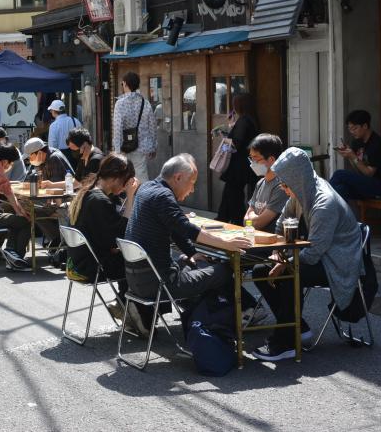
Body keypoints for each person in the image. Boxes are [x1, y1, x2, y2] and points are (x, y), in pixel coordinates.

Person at [251, 147, 363, 361]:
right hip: (318, 255)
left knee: (289, 275)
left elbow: (313, 253)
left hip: (337, 262)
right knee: (260, 271)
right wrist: (277, 253)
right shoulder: (300, 192)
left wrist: (285, 263)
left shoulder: (324, 202)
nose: (283, 189)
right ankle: (298, 328)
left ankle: (285, 343)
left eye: (285, 184)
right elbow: (279, 226)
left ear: (297, 179)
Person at [124, 154, 252, 330]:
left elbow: (175, 229)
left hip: (136, 280)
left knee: (199, 262)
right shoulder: (163, 196)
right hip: (161, 283)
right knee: (223, 269)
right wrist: (226, 243)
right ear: (178, 178)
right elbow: (186, 229)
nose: (192, 190)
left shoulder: (146, 189)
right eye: (192, 182)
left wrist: (192, 252)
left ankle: (215, 313)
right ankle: (239, 314)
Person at [67, 154, 139, 321]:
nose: (125, 187)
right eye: (125, 182)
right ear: (115, 178)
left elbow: (105, 235)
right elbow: (122, 234)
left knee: (127, 257)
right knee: (142, 263)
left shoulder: (87, 193)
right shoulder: (99, 201)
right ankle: (129, 307)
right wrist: (131, 197)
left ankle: (124, 303)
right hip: (93, 267)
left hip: (79, 262)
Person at [216, 93, 259, 225]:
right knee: (231, 192)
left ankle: (234, 219)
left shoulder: (244, 121)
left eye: (235, 104)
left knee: (233, 192)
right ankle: (223, 217)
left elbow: (237, 142)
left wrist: (225, 139)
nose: (233, 107)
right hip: (245, 163)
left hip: (239, 164)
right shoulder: (250, 119)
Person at [330, 109, 381, 201]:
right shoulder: (357, 142)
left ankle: (321, 203)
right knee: (340, 189)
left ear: (365, 126)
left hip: (379, 186)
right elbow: (358, 169)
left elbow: (369, 173)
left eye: (355, 128)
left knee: (339, 174)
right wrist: (349, 156)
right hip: (364, 182)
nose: (352, 132)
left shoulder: (377, 143)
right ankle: (327, 212)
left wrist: (353, 156)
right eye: (350, 129)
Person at [112, 72, 157, 184]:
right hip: (141, 146)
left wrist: (117, 151)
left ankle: (130, 200)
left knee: (125, 181)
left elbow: (117, 128)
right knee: (141, 178)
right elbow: (152, 125)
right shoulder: (144, 103)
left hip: (124, 148)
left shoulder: (120, 103)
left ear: (125, 84)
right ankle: (144, 199)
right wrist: (153, 146)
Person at [243, 134, 289, 232]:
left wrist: (252, 218)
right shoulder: (260, 183)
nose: (252, 163)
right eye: (251, 158)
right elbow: (245, 219)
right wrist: (252, 219)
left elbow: (258, 223)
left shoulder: (282, 186)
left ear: (271, 159)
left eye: (256, 158)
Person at [47, 99, 81, 164]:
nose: (51, 112)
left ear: (54, 111)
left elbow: (52, 147)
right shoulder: (75, 121)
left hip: (61, 159)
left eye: (51, 110)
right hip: (77, 157)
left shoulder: (54, 126)